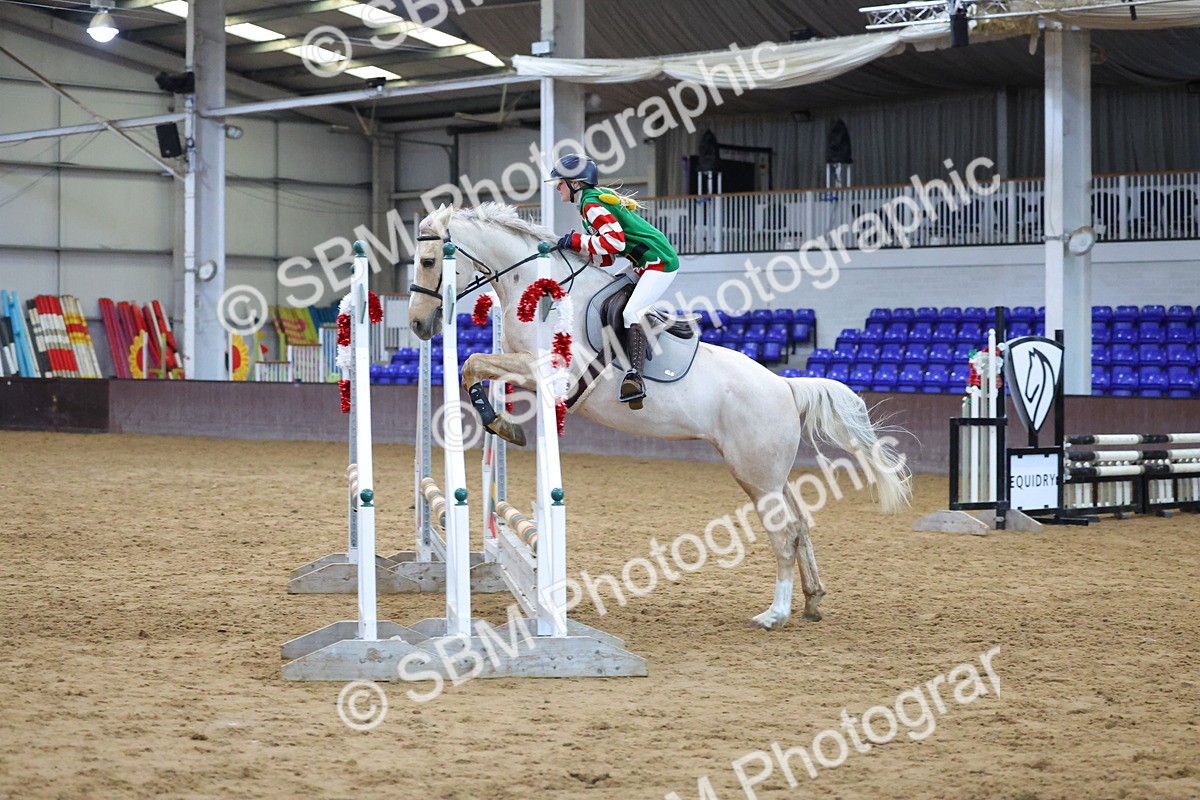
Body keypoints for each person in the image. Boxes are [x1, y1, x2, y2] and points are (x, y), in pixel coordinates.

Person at [548, 153, 679, 409]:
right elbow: (607, 258)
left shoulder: (591, 204)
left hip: (660, 263)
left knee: (631, 312)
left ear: (575, 183)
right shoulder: (588, 203)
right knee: (606, 292)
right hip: (642, 263)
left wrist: (577, 241)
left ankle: (635, 377)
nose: (556, 187)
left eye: (560, 182)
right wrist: (578, 252)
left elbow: (616, 242)